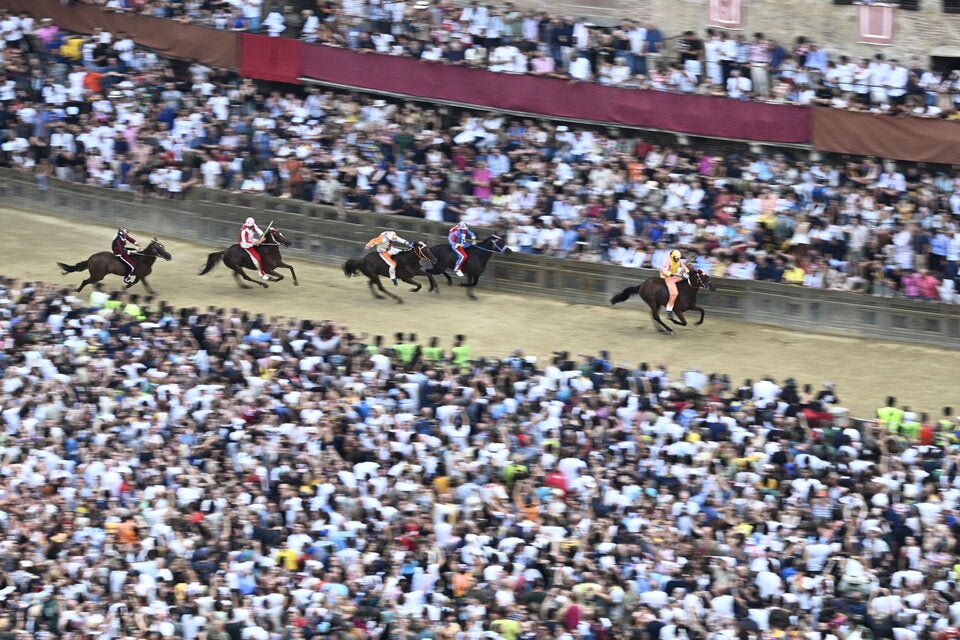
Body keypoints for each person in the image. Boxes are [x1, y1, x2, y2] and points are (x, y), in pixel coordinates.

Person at [660, 249, 689, 320]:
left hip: (676, 275)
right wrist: (676, 274)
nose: (677, 260)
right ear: (672, 257)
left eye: (678, 258)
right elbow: (664, 271)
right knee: (674, 293)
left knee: (687, 279)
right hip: (668, 277)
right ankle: (669, 310)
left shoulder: (677, 258)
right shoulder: (667, 261)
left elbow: (682, 265)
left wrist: (686, 270)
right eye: (676, 258)